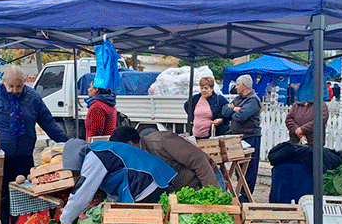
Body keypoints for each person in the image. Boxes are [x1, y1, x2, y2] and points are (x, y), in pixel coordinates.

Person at [0, 65, 69, 224]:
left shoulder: (32, 97)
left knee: (27, 192)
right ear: (4, 82)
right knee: (4, 194)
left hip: (25, 154)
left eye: (19, 86)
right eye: (11, 86)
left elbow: (48, 123)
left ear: (24, 83)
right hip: (1, 156)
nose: (15, 91)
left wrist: (66, 143)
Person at [58, 138, 176, 224]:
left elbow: (82, 192)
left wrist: (66, 220)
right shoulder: (100, 149)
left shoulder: (94, 158)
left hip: (147, 182)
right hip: (156, 177)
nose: (76, 173)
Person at [110, 126, 223, 192]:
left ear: (130, 144)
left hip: (206, 181)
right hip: (186, 190)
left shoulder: (161, 141)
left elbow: (199, 160)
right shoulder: (140, 156)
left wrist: (211, 192)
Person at [221, 74, 262, 202]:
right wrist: (235, 110)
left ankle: (246, 197)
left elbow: (242, 116)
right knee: (239, 167)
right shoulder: (238, 99)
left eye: (238, 84)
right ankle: (239, 193)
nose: (236, 87)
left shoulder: (253, 100)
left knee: (249, 168)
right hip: (237, 137)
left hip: (250, 137)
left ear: (244, 86)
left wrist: (234, 111)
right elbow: (224, 112)